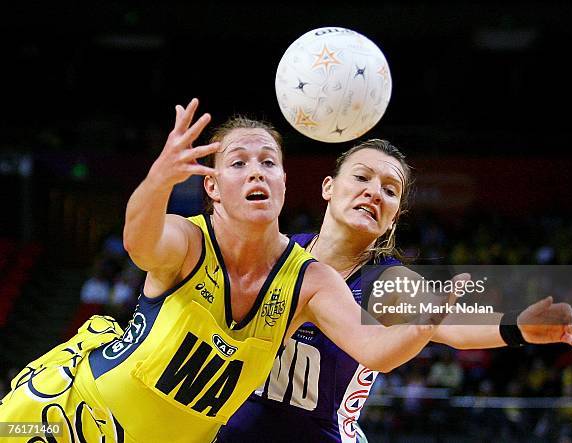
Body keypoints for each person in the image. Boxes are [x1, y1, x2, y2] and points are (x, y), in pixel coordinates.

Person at [0, 100, 451, 443]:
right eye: (239, 163)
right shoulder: (189, 241)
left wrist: (441, 319)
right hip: (71, 416)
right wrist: (159, 179)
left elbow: (382, 346)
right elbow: (140, 242)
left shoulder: (319, 278)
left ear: (284, 183)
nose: (257, 172)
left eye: (269, 162)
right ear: (212, 186)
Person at [218, 138, 572, 442]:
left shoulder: (387, 281)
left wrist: (517, 327)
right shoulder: (278, 252)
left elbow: (451, 324)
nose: (374, 193)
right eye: (361, 177)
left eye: (389, 191)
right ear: (328, 186)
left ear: (394, 216)